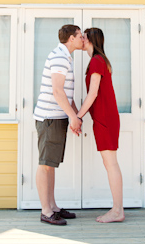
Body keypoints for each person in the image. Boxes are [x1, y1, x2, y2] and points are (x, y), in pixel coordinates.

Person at [33, 24, 84, 226]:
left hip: (57, 117)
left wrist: (75, 115)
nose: (83, 39)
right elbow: (57, 91)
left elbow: (66, 94)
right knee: (45, 165)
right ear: (71, 38)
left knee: (51, 164)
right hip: (49, 118)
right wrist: (73, 117)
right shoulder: (59, 57)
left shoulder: (65, 57)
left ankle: (53, 207)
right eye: (80, 36)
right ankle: (46, 211)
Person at [77, 27, 125, 223]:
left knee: (111, 163)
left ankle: (117, 211)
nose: (80, 39)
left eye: (82, 37)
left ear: (89, 40)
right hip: (103, 118)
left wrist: (78, 117)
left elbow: (93, 94)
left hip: (105, 118)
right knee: (110, 163)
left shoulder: (97, 61)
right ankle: (117, 209)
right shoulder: (96, 61)